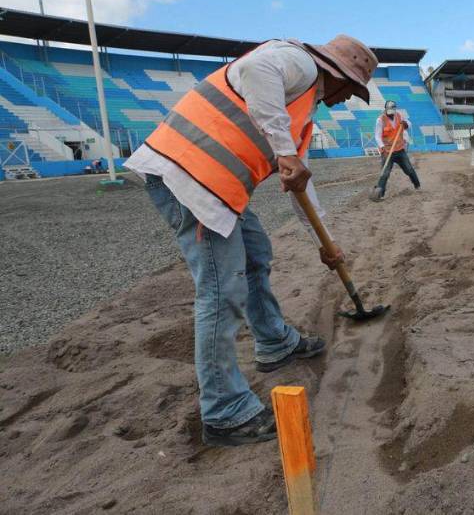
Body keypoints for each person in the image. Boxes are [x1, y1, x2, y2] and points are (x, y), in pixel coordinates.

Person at [124, 36, 379, 447]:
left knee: (257, 253)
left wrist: (326, 243)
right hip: (188, 177)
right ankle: (224, 411)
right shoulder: (299, 62)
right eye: (351, 89)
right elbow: (256, 71)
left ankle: (274, 342)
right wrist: (283, 151)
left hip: (217, 187)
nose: (348, 100)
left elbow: (303, 190)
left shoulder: (304, 113)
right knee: (221, 292)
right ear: (337, 75)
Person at [373, 99, 421, 199]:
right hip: (387, 151)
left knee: (409, 169)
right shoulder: (380, 120)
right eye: (389, 113)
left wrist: (405, 124)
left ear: (395, 110)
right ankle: (379, 194)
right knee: (385, 173)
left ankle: (417, 186)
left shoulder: (399, 115)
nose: (391, 115)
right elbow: (377, 136)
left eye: (392, 113)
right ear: (385, 110)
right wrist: (382, 146)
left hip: (399, 149)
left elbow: (409, 123)